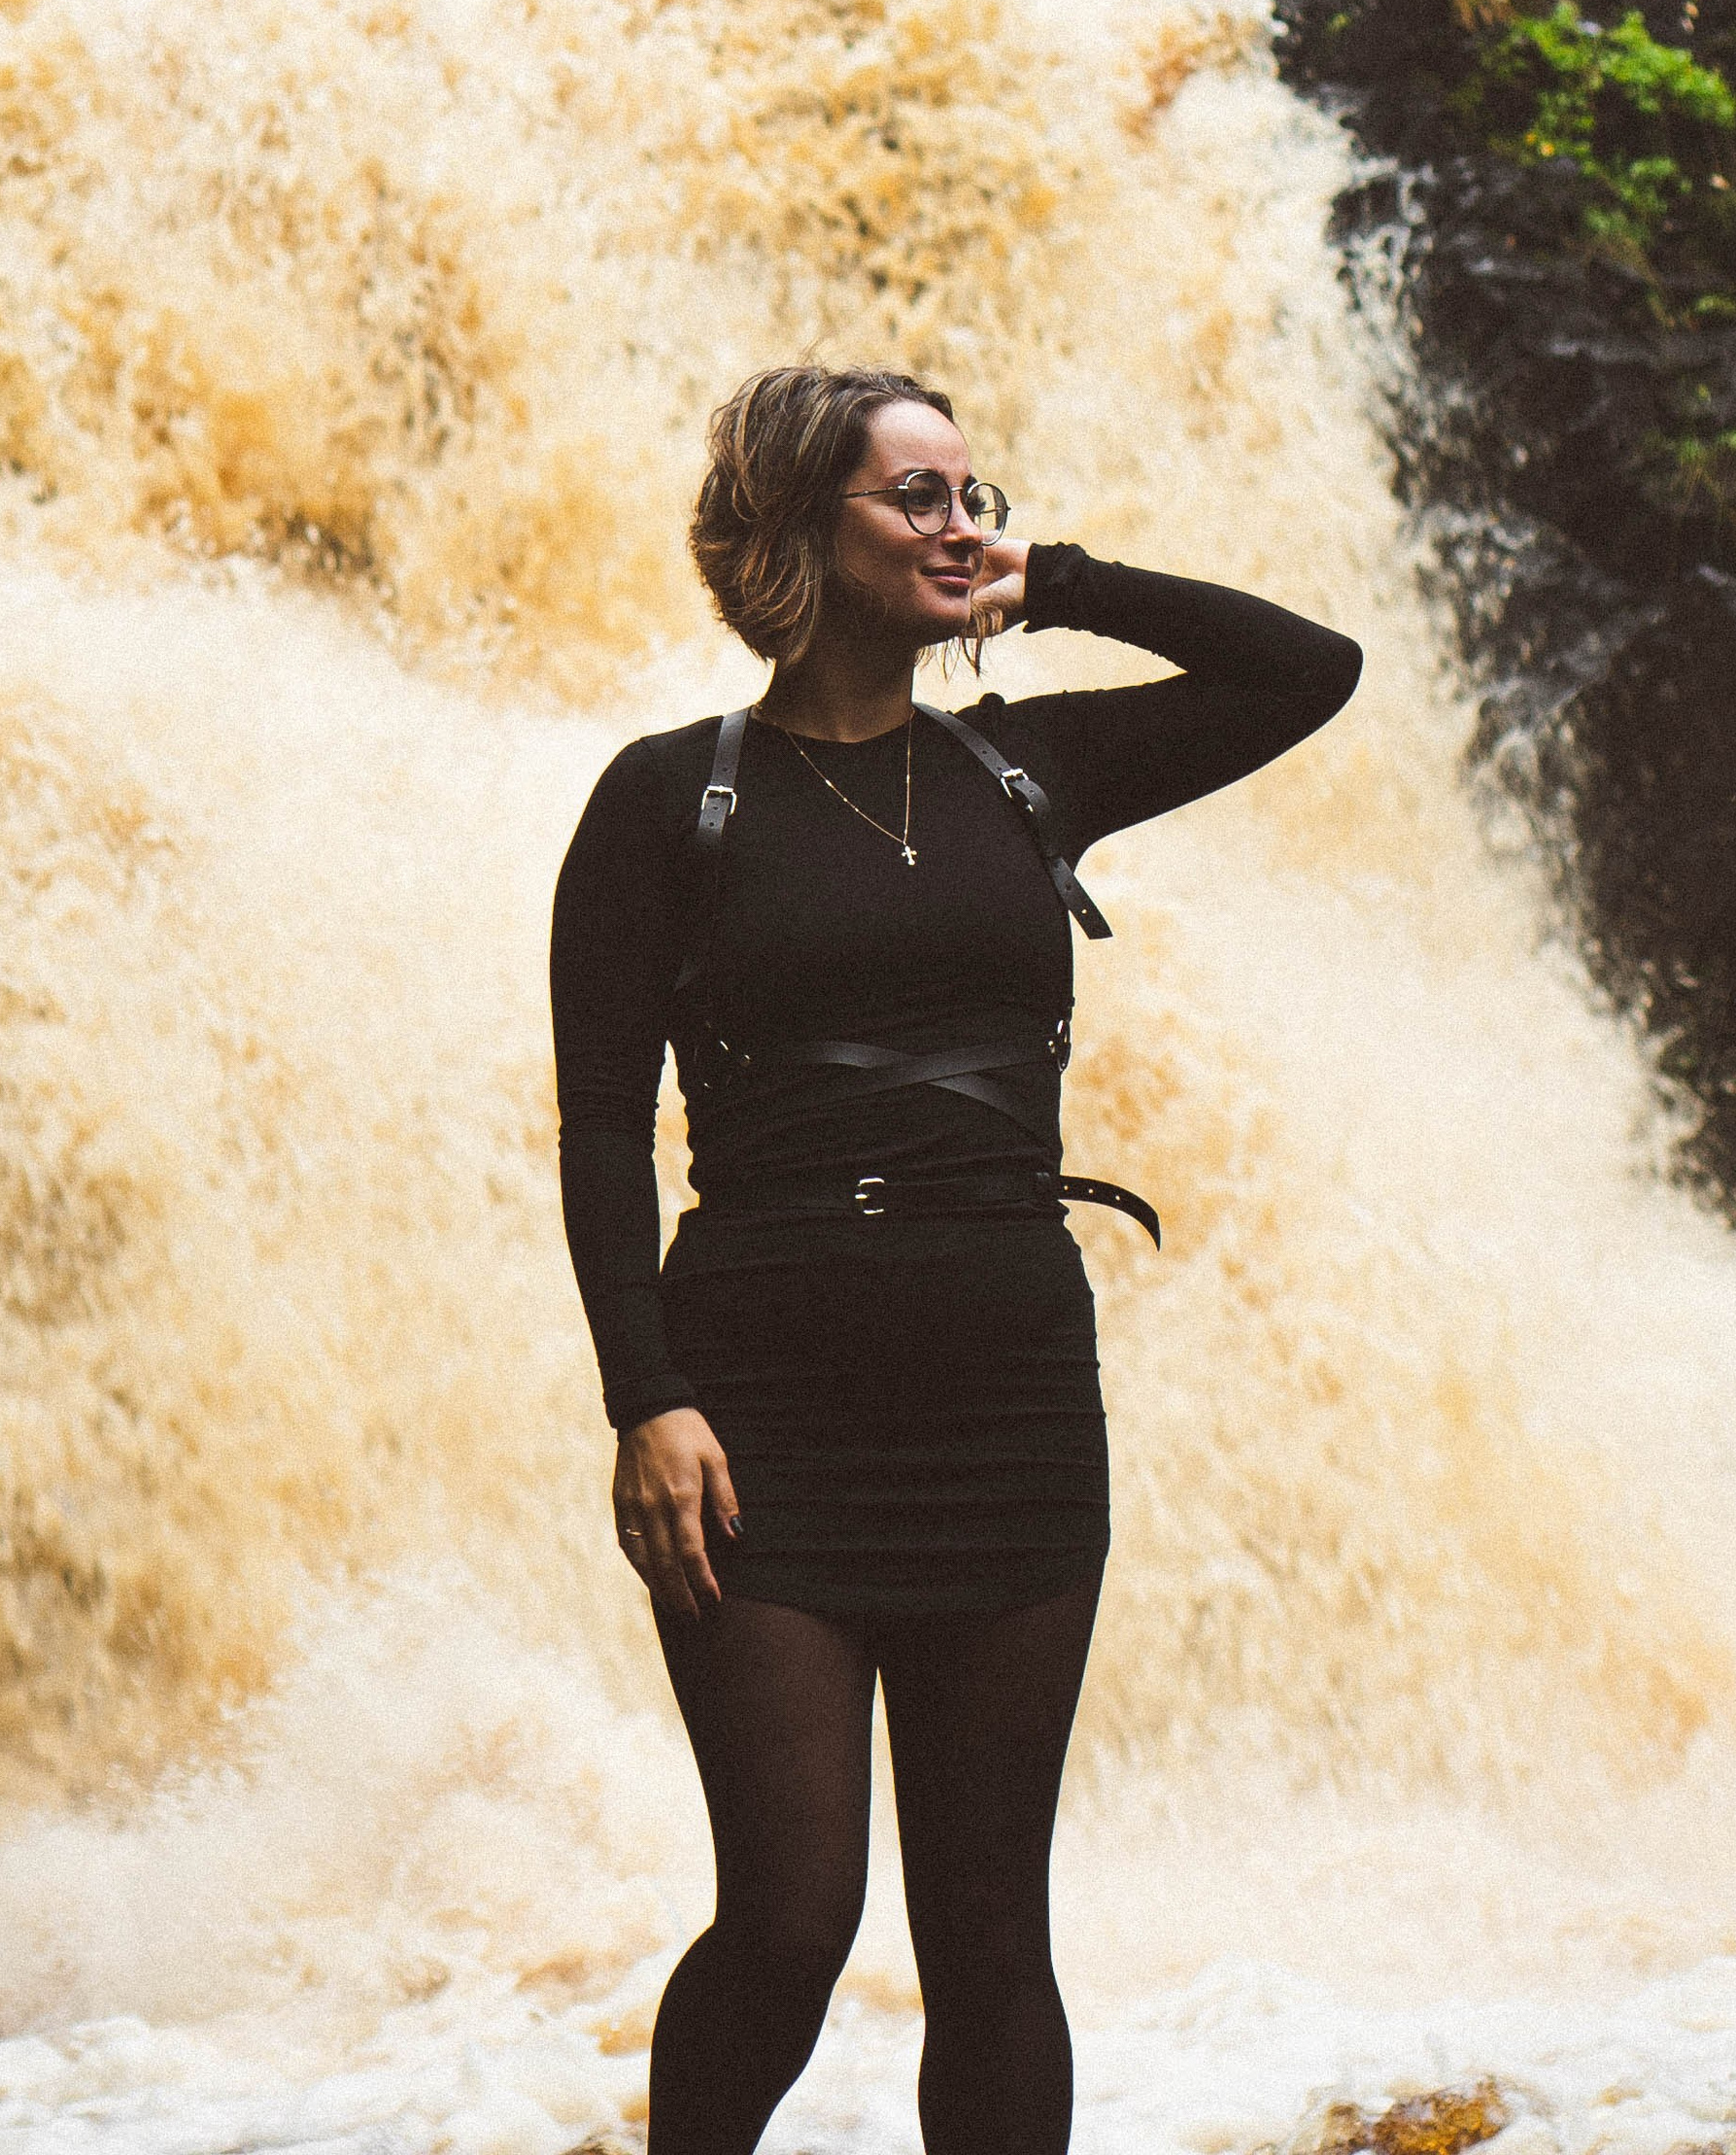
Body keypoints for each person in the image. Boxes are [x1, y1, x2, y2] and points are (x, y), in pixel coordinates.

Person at [549, 362, 1361, 2155]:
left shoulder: (1029, 765)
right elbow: (602, 1125)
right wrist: (645, 1398)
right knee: (789, 1919)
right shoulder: (663, 802)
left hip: (1005, 1396)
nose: (960, 522)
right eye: (915, 497)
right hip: (761, 1414)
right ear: (795, 528)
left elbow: (1310, 670)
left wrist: (1054, 579)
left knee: (992, 1941)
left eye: (972, 492)